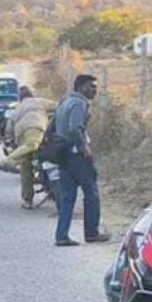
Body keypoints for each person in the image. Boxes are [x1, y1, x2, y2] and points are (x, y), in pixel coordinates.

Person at [54, 74, 112, 247]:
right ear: (81, 87)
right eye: (91, 86)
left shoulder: (64, 101)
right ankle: (92, 233)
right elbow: (74, 128)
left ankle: (61, 235)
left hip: (63, 154)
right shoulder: (79, 103)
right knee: (91, 194)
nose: (95, 90)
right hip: (76, 156)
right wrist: (83, 147)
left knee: (67, 197)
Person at [0, 86, 58, 209]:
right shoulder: (38, 101)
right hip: (35, 129)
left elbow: (9, 129)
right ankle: (8, 161)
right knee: (33, 144)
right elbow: (59, 107)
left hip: (20, 135)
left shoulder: (18, 108)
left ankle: (27, 199)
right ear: (32, 95)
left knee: (26, 167)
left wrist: (11, 140)